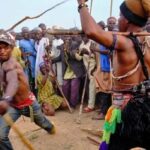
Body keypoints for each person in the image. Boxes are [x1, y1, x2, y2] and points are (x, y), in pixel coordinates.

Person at [77, 0, 150, 149]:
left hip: (126, 114)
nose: (118, 19)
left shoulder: (125, 43)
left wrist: (82, 4)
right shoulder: (148, 39)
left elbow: (91, 31)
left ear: (127, 19)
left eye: (119, 15)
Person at [0, 31, 55, 150]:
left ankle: (50, 128)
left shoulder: (11, 64)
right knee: (0, 136)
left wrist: (6, 99)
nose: (2, 51)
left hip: (28, 104)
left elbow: (13, 82)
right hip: (12, 106)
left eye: (5, 48)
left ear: (12, 48)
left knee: (43, 123)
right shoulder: (2, 63)